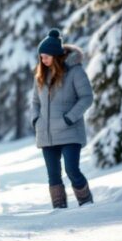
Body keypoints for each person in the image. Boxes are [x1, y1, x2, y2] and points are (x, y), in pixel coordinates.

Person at [31, 29, 95, 209]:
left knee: (72, 170)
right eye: (41, 57)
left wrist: (69, 118)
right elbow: (35, 101)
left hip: (70, 131)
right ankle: (59, 209)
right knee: (53, 175)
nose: (43, 60)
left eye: (46, 56)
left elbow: (87, 98)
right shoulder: (40, 75)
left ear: (56, 55)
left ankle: (86, 203)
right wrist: (36, 119)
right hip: (46, 134)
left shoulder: (75, 72)